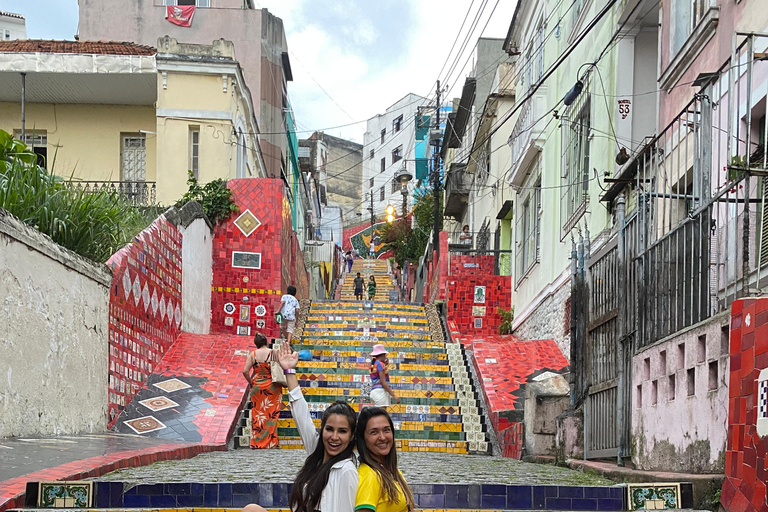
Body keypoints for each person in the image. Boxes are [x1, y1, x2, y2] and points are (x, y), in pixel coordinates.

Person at [273, 343, 359, 512]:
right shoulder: (317, 453)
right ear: (322, 430)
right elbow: (300, 413)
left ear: (351, 436)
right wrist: (289, 371)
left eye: (342, 431)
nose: (334, 437)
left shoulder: (346, 470)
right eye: (329, 429)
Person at [355, 407, 415, 512]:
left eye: (386, 430)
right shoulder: (369, 476)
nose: (382, 437)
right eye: (374, 432)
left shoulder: (391, 471)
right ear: (363, 438)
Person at [241, 332, 282, 449]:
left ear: (256, 344)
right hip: (273, 387)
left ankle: (258, 442)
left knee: (258, 414)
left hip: (258, 387)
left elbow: (245, 371)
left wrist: (250, 381)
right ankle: (271, 442)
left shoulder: (252, 355)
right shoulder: (273, 353)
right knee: (272, 414)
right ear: (266, 342)